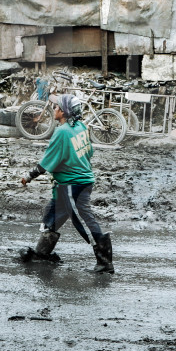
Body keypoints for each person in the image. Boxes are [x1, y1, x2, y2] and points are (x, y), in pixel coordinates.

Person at [19, 94, 113, 274]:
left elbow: (48, 162)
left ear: (64, 112)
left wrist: (29, 176)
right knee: (50, 219)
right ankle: (41, 256)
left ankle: (105, 264)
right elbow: (88, 152)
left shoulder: (62, 132)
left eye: (56, 108)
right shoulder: (81, 127)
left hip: (73, 186)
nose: (54, 110)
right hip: (68, 185)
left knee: (85, 222)